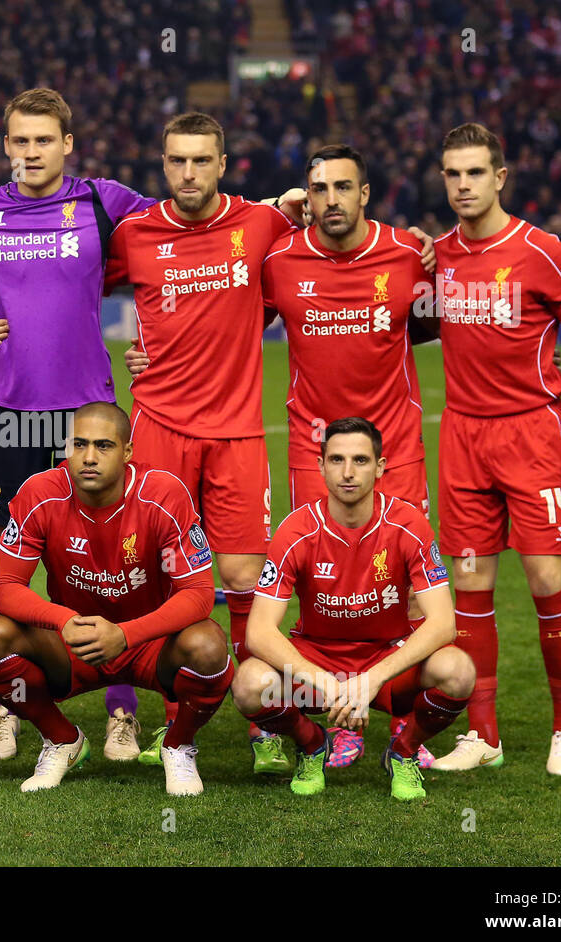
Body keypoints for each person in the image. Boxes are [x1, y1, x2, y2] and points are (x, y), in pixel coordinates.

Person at [0, 88, 156, 761]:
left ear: (67, 144)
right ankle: (3, 708)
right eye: (20, 140)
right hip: (11, 415)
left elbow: (187, 238)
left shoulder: (105, 201)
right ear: (5, 144)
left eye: (44, 140)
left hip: (86, 411)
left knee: (107, 565)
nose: (31, 152)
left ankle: (121, 710)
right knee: (7, 560)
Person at [104, 111, 298, 771]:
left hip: (237, 431)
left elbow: (330, 244)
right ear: (164, 166)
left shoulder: (263, 224)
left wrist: (416, 244)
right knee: (161, 583)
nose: (189, 172)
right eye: (177, 161)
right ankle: (171, 721)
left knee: (245, 576)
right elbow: (71, 287)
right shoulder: (134, 233)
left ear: (222, 164)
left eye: (201, 161)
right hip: (156, 427)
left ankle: (261, 720)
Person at [430, 123, 561, 775]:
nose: (463, 185)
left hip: (532, 433)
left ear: (500, 177)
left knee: (546, 577)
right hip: (463, 437)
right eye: (452, 173)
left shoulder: (543, 250)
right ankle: (483, 736)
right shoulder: (439, 255)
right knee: (471, 586)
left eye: (474, 173)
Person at [260, 143, 435, 770]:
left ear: (365, 194)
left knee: (410, 594)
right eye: (319, 188)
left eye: (343, 187)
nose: (330, 199)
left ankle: (404, 729)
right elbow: (219, 313)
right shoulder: (279, 259)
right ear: (305, 196)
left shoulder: (409, 254)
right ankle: (335, 719)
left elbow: (449, 320)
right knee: (320, 593)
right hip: (316, 450)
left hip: (397, 448)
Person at [0, 402, 232, 795]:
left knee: (209, 645)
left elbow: (198, 594)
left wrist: (126, 634)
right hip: (75, 641)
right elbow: (6, 586)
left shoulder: (162, 494)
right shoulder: (40, 493)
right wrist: (62, 621)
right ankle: (63, 739)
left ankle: (178, 746)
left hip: (150, 644)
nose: (88, 458)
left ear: (128, 452)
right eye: (78, 444)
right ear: (65, 447)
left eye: (104, 446)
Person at [232, 418, 474, 800]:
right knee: (249, 683)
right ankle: (312, 744)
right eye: (337, 459)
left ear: (380, 467)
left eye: (361, 460)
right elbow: (259, 631)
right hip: (319, 659)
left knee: (458, 671)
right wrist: (327, 682)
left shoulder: (408, 525)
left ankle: (404, 751)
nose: (348, 472)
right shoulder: (296, 531)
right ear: (320, 465)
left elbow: (444, 623)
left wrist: (371, 679)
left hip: (387, 660)